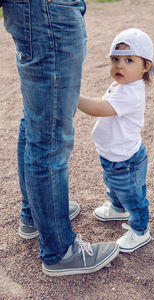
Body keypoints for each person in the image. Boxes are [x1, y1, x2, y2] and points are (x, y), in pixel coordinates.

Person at [0, 0, 119, 276]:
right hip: (46, 11)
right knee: (50, 136)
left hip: (40, 11)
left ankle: (35, 216)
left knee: (36, 120)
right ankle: (60, 251)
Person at [78, 28, 154, 253]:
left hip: (126, 161)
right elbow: (102, 101)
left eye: (129, 60)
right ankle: (117, 207)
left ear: (145, 67)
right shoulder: (120, 85)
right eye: (115, 59)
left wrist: (73, 95)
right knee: (114, 186)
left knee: (134, 197)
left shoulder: (131, 92)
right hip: (113, 156)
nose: (119, 65)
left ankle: (140, 231)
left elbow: (99, 108)